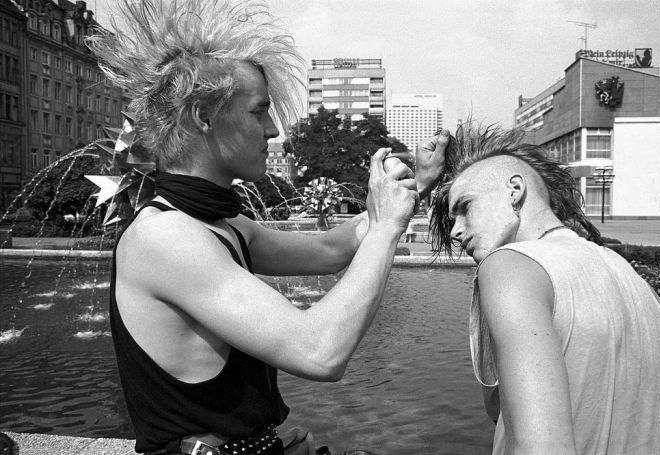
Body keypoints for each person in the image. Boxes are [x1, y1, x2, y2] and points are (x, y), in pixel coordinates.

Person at [85, 1, 426, 454]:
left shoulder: (223, 224)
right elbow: (320, 353)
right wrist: (386, 230)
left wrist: (409, 188)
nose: (273, 129)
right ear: (204, 116)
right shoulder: (165, 236)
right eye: (259, 111)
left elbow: (331, 250)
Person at [418, 121, 660, 454]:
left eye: (465, 208)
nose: (455, 231)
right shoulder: (626, 274)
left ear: (514, 190)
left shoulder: (509, 265)